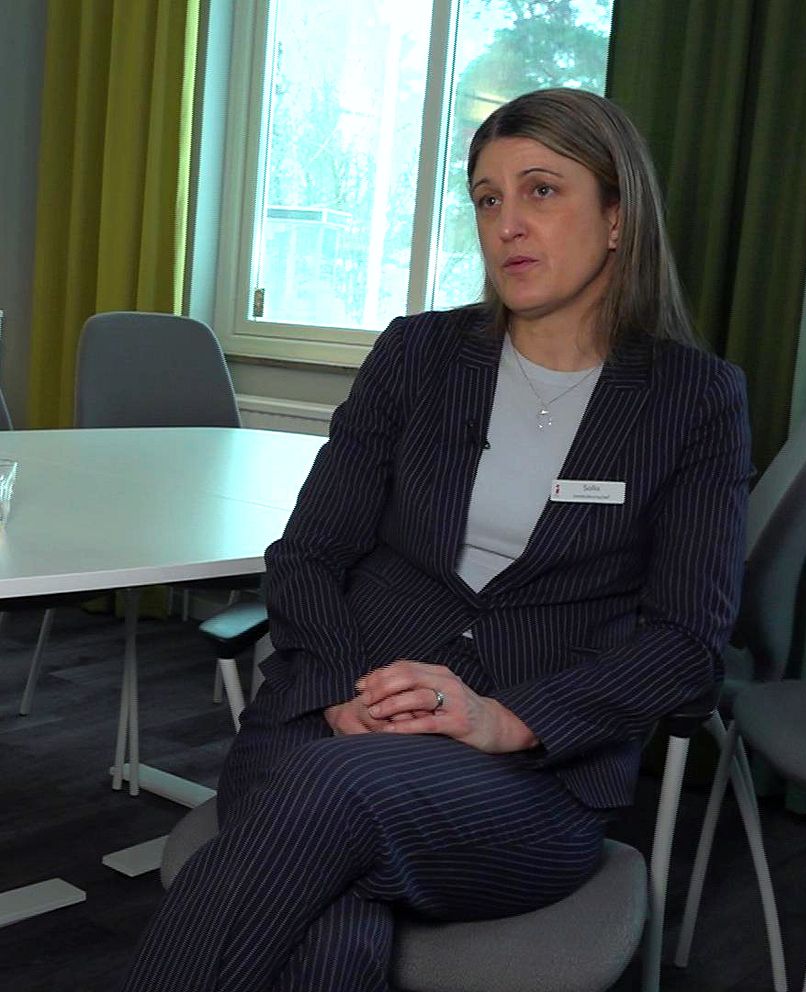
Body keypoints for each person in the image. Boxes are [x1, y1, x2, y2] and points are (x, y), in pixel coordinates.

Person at [121, 87, 751, 992]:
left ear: (618, 217)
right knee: (332, 928)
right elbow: (307, 555)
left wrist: (504, 720)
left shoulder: (695, 399)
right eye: (488, 199)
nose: (507, 224)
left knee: (332, 797)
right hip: (332, 717)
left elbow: (686, 641)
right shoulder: (418, 354)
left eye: (541, 190)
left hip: (528, 775)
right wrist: (344, 692)